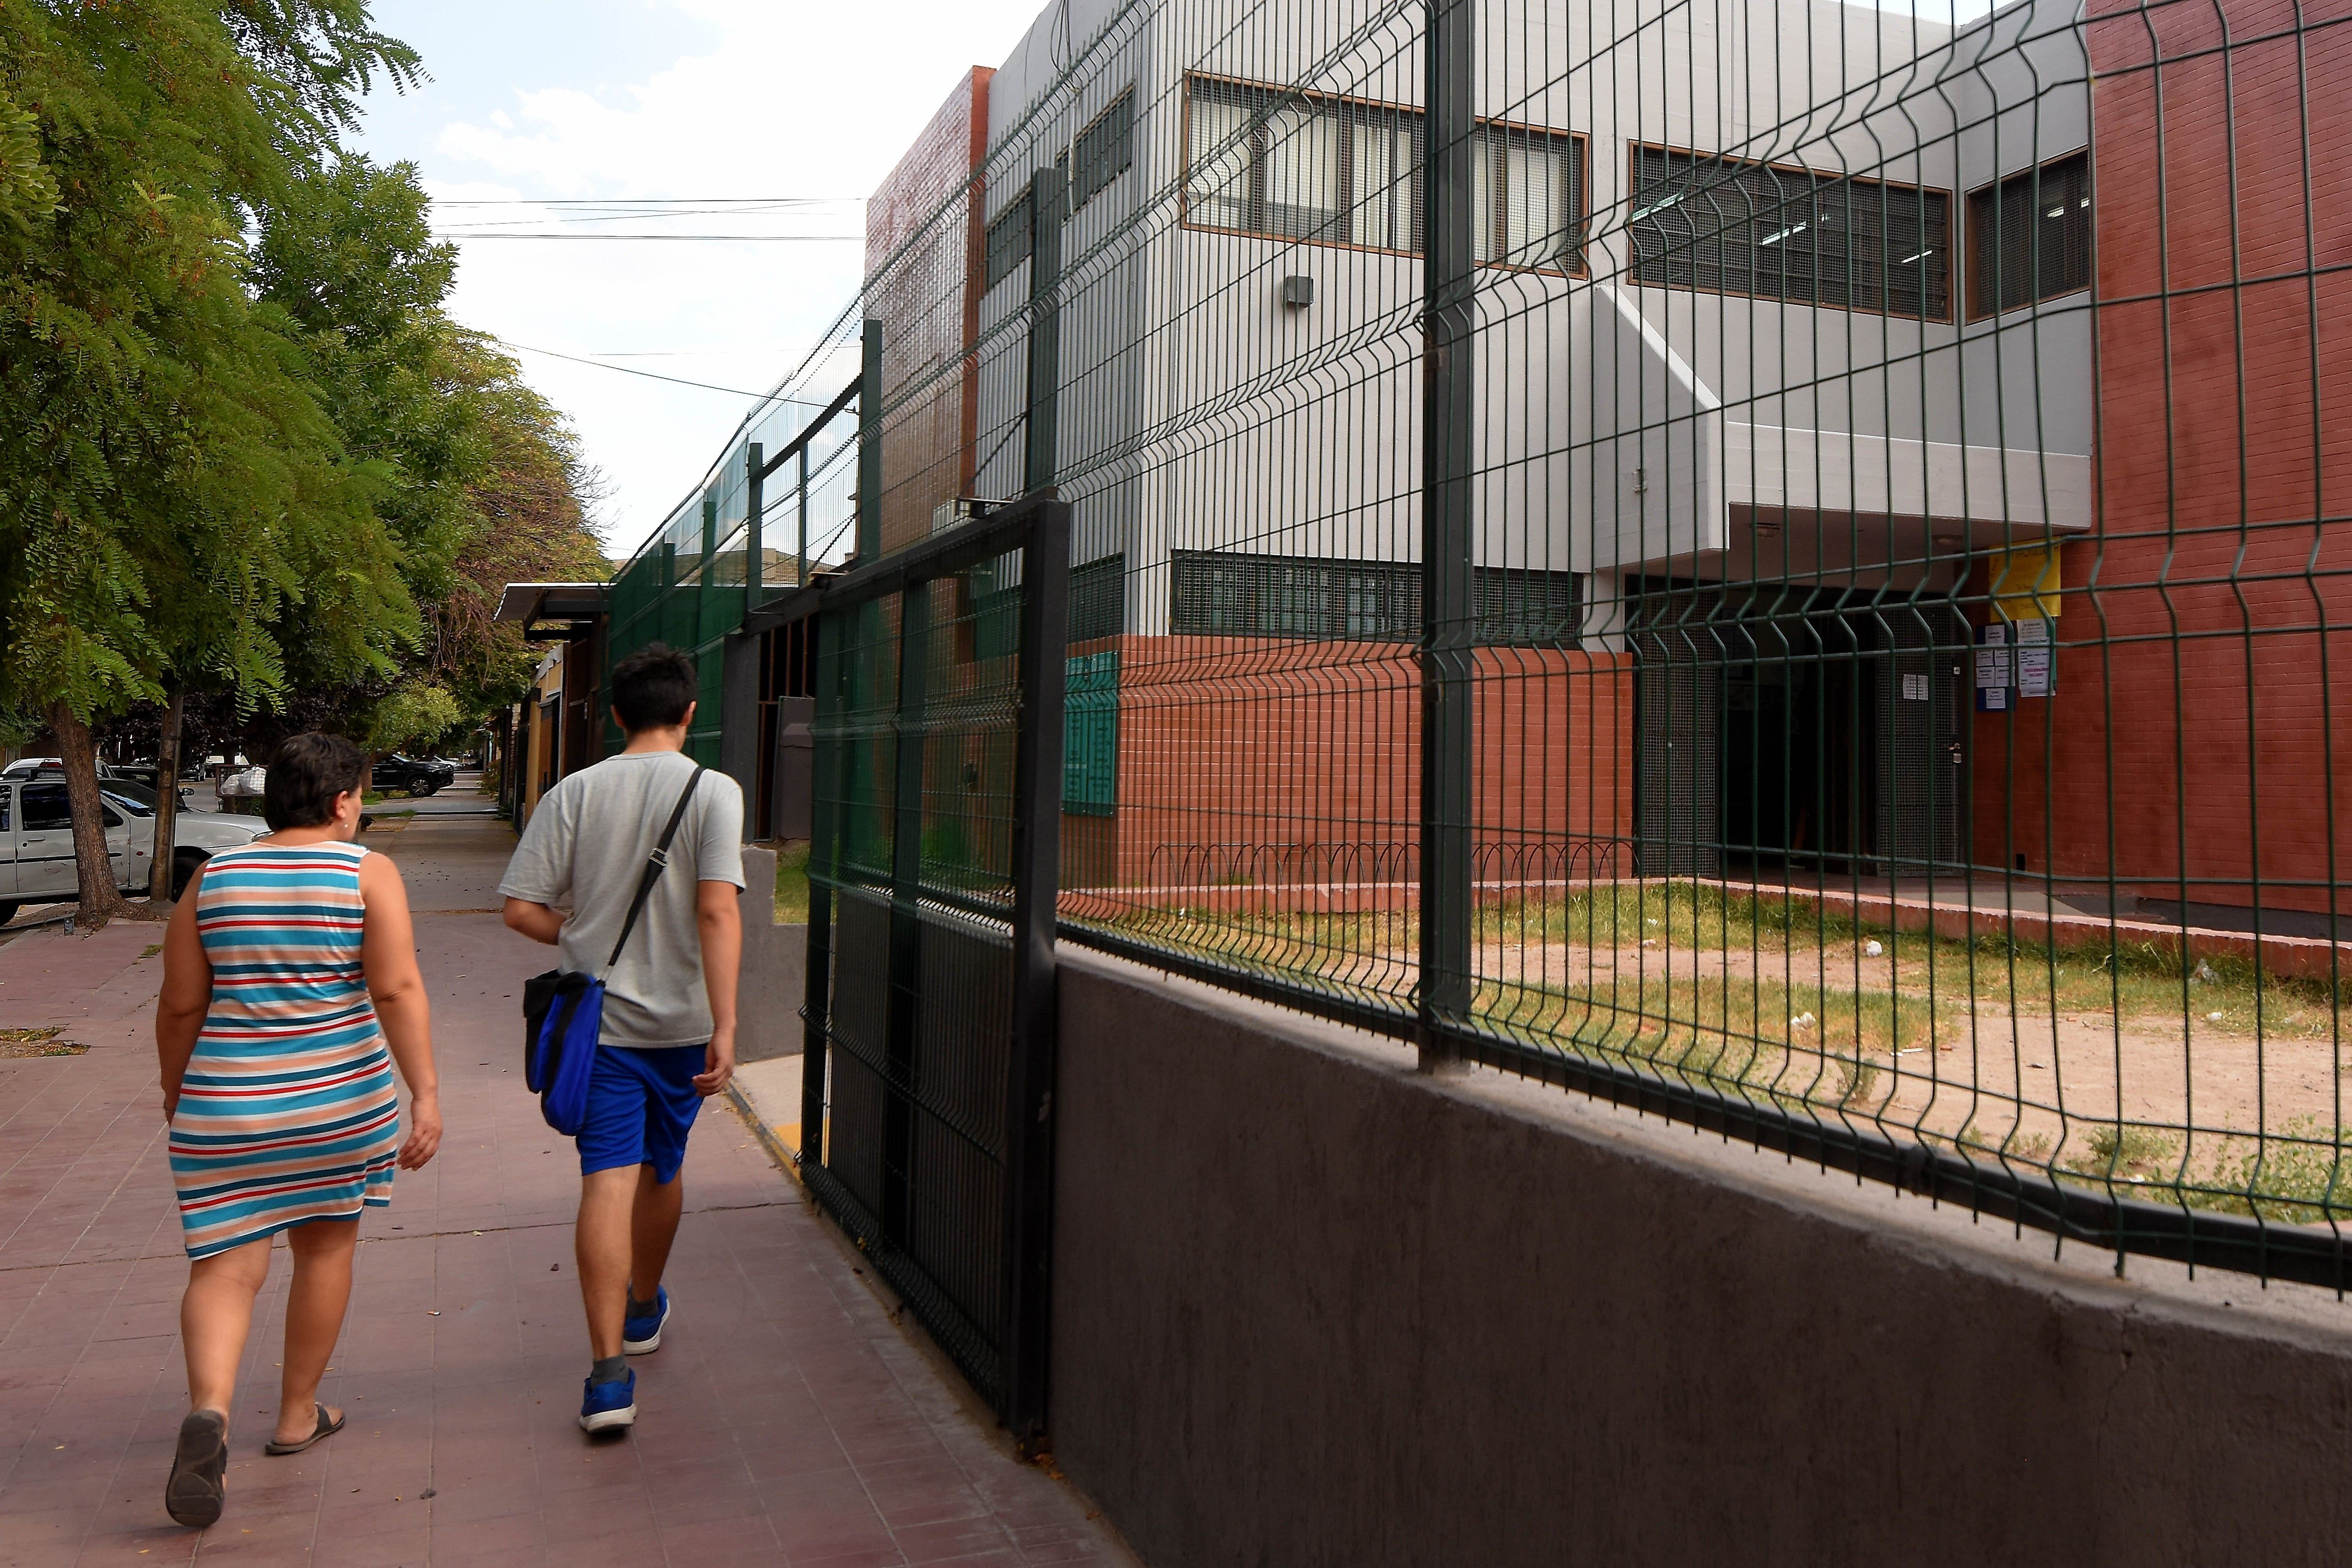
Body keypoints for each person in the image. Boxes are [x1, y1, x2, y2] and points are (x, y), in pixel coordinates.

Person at [154, 732, 443, 1528]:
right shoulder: (365, 873)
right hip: (336, 1108)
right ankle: (296, 1414)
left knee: (223, 1269)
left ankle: (209, 1412)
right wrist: (425, 1093)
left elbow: (180, 1003)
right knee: (325, 1249)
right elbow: (396, 985)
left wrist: (180, 1089)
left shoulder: (214, 877)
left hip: (224, 1106)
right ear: (345, 799)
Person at [498, 644, 743, 1434]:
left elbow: (522, 910)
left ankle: (607, 1378)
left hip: (598, 1027)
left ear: (613, 715)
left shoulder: (573, 791)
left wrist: (584, 933)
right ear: (690, 712)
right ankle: (644, 1308)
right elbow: (717, 911)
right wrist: (729, 1024)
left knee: (607, 1177)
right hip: (683, 1025)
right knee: (664, 1167)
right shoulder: (716, 792)